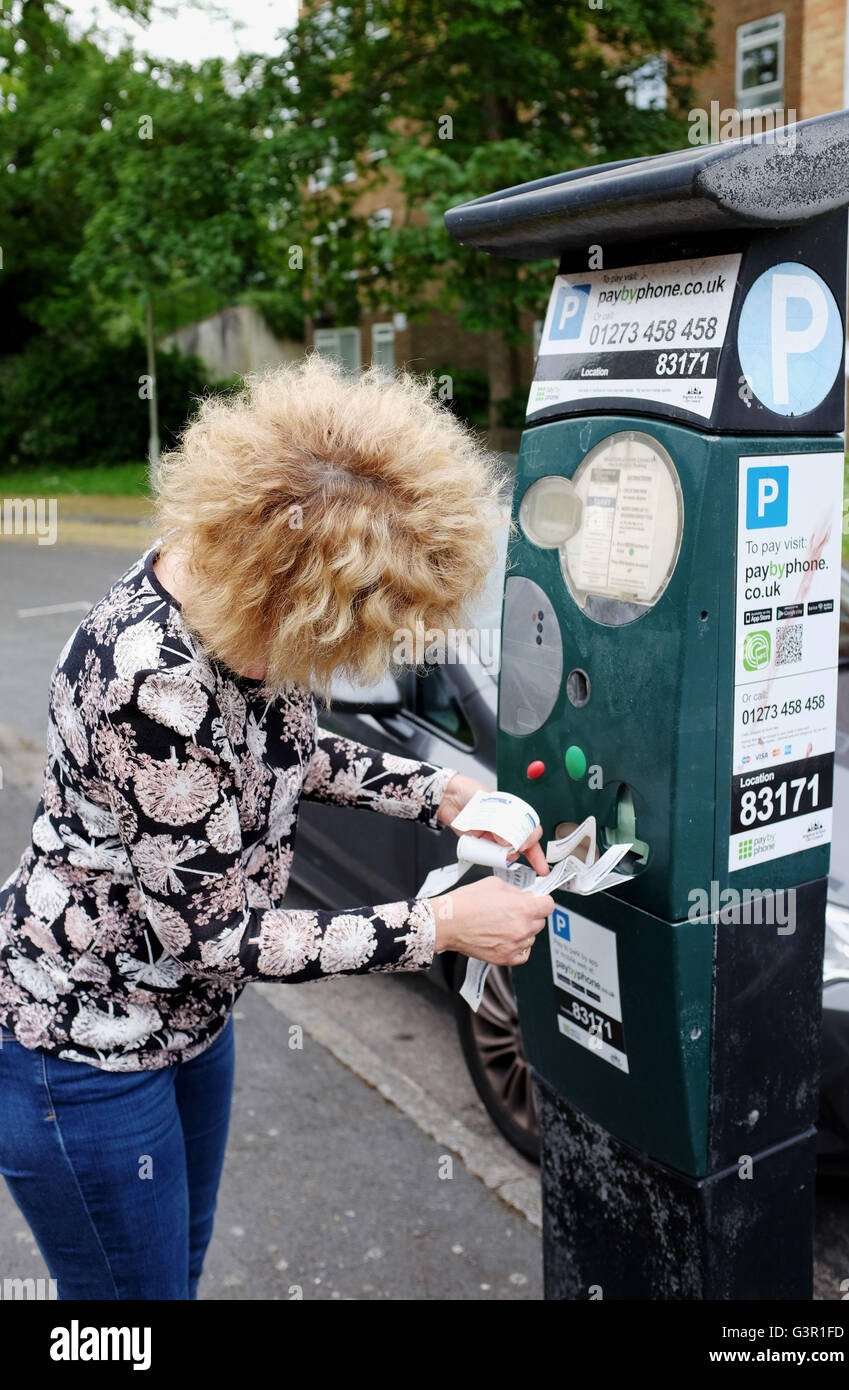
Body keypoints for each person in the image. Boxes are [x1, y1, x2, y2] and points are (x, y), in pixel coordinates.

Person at [0, 355, 553, 1300]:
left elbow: (279, 754)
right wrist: (442, 929)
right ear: (303, 587)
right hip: (84, 1046)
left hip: (185, 1021)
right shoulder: (153, 682)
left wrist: (443, 795)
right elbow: (215, 934)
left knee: (174, 1270)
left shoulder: (240, 584)